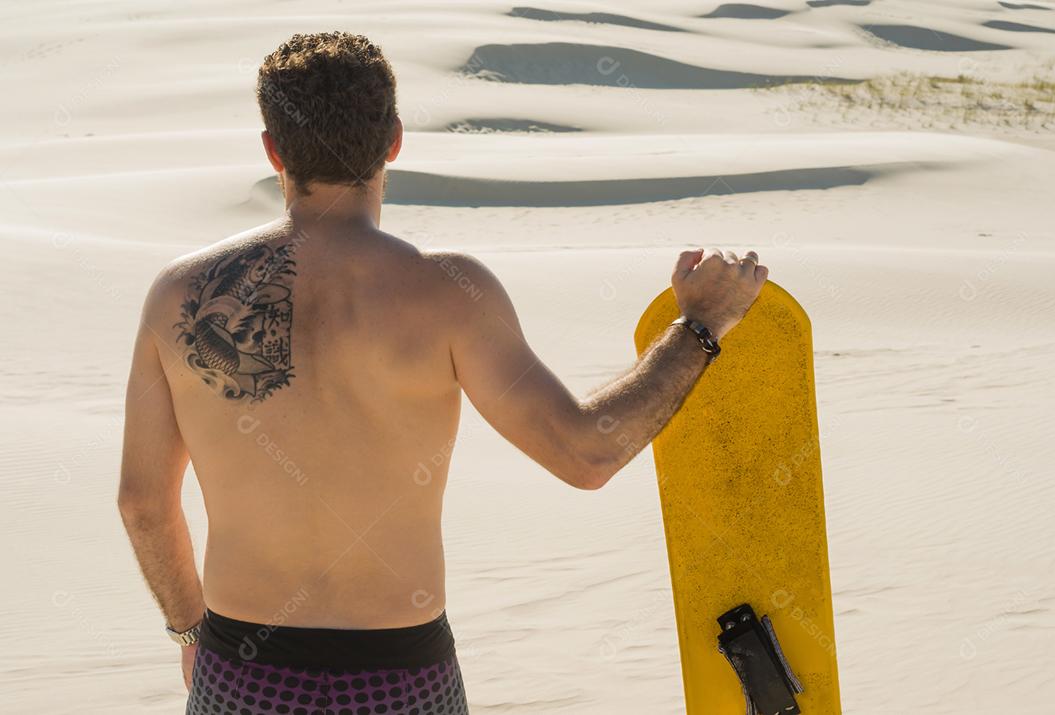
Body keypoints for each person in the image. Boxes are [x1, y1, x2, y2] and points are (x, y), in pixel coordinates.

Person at [117, 32, 768, 715]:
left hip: (243, 672)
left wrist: (190, 629)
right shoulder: (449, 293)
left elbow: (143, 502)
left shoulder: (179, 295)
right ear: (395, 140)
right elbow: (588, 452)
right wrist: (699, 328)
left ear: (273, 150)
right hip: (399, 676)